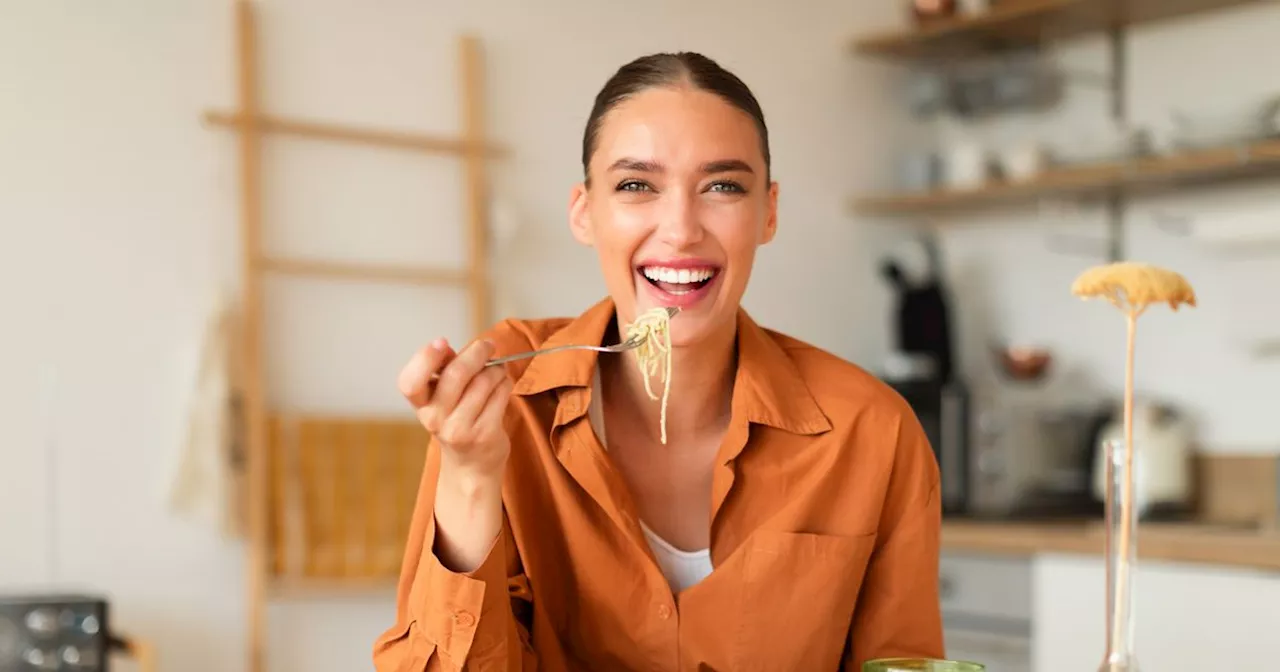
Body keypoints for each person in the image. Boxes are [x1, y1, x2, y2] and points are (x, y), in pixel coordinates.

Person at [372, 51, 944, 671]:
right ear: (584, 212)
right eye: (636, 186)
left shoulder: (873, 431)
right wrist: (469, 477)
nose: (680, 229)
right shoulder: (502, 403)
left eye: (723, 186)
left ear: (768, 212)